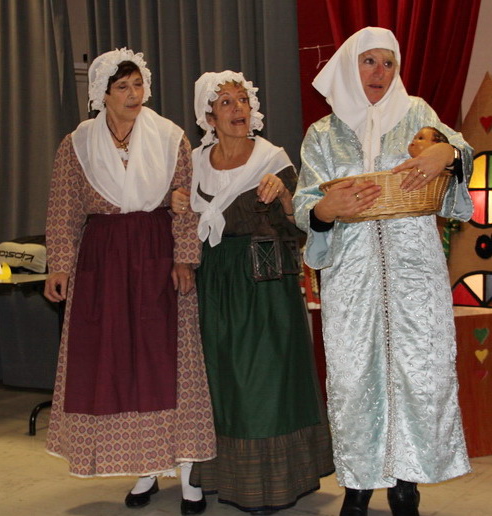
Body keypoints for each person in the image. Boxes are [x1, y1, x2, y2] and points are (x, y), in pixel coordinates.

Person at [293, 27, 472, 516]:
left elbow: (460, 152)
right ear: (350, 66)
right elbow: (305, 201)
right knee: (355, 380)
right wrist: (325, 209)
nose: (379, 73)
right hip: (352, 275)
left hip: (415, 271)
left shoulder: (418, 114)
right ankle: (358, 484)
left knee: (419, 373)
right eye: (369, 61)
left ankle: (406, 482)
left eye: (388, 63)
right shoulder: (323, 134)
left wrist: (447, 153)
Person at [43, 48, 215, 515]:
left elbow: (186, 201)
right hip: (103, 263)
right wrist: (60, 265)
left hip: (156, 255)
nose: (134, 94)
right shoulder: (77, 144)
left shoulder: (170, 138)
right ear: (103, 94)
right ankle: (145, 470)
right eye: (122, 87)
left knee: (169, 365)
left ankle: (187, 472)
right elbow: (64, 209)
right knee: (120, 368)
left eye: (138, 84)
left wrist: (185, 258)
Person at [172, 70, 334, 515]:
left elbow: (303, 224)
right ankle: (222, 476)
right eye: (225, 102)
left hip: (263, 285)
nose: (237, 108)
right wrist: (175, 205)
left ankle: (270, 485)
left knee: (262, 381)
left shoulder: (272, 159)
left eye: (242, 100)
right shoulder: (194, 163)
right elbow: (181, 222)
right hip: (213, 283)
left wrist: (284, 195)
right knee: (221, 381)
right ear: (209, 117)